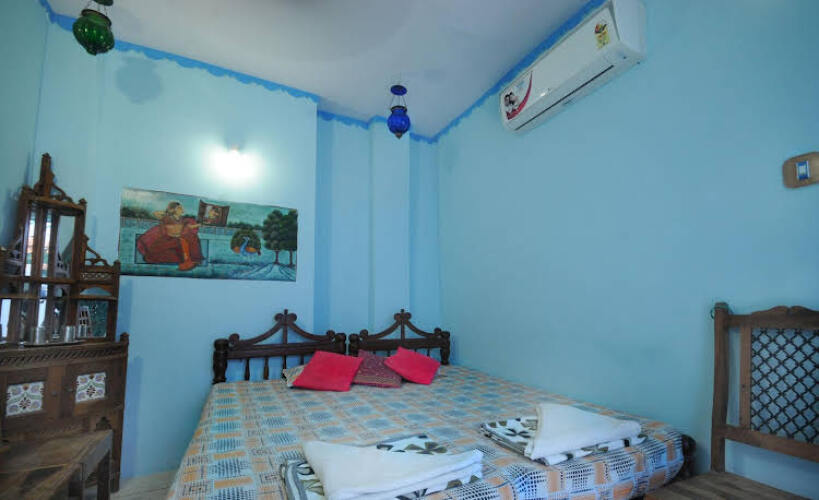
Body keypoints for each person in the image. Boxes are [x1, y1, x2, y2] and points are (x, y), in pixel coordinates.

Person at [136, 201, 202, 271]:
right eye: (179, 208)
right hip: (169, 238)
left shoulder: (181, 219)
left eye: (181, 208)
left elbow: (187, 227)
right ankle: (187, 262)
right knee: (182, 242)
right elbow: (157, 215)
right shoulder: (168, 218)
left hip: (177, 237)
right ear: (173, 210)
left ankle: (190, 261)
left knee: (191, 238)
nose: (182, 209)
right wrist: (166, 213)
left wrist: (198, 225)